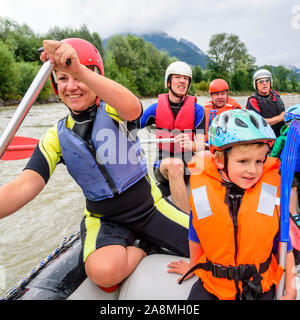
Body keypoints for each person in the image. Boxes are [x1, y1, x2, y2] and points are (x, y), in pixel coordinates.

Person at [0, 38, 190, 292]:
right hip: (104, 218)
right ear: (55, 86)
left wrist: (78, 68)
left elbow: (133, 108)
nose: (72, 86)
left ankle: (143, 241)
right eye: (63, 79)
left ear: (96, 79)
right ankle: (141, 252)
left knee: (215, 246)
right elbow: (24, 185)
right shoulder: (55, 137)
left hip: (148, 207)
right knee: (103, 272)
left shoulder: (113, 108)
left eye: (79, 77)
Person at [169, 109, 297, 300]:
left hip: (259, 287)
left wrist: (291, 288)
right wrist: (192, 265)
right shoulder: (203, 190)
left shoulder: (269, 192)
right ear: (220, 160)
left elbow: (284, 244)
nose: (252, 170)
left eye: (259, 161)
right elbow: (195, 233)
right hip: (213, 284)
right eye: (243, 161)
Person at [138, 61, 205, 214]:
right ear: (168, 82)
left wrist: (191, 145)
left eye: (186, 78)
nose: (182, 81)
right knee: (175, 165)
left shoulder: (197, 110)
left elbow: (200, 146)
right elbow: (131, 126)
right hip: (164, 165)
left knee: (206, 156)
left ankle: (207, 213)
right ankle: (185, 223)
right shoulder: (155, 108)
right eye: (177, 77)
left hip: (189, 161)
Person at [270, 104, 300, 263]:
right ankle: (293, 213)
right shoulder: (282, 139)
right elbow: (274, 156)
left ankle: (295, 213)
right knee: (293, 189)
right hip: (287, 172)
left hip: (295, 172)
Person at [246, 69, 285, 138]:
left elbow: (283, 113)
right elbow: (257, 123)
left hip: (281, 132)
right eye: (261, 81)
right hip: (264, 136)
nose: (264, 83)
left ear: (270, 83)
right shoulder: (253, 100)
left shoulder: (275, 94)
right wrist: (280, 118)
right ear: (256, 84)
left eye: (267, 80)